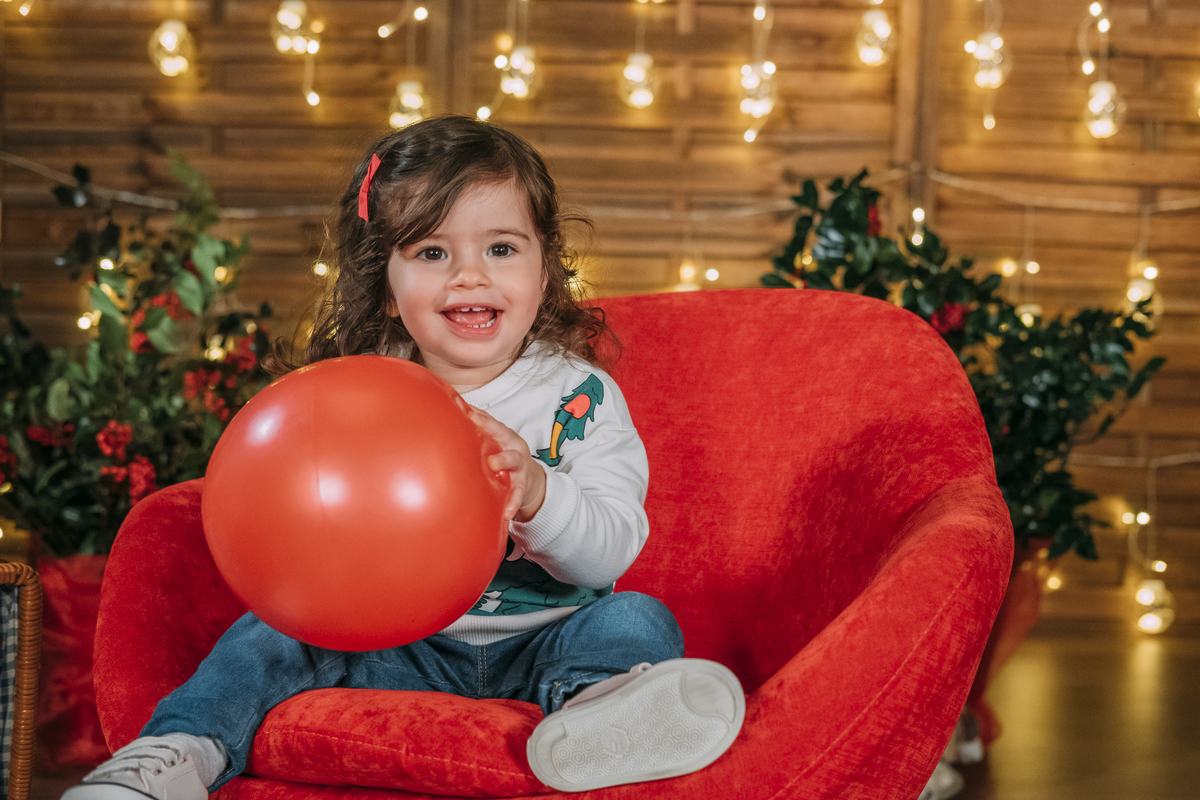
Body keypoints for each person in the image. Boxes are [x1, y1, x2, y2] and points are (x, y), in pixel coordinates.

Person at [63, 116, 744, 799]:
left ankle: (596, 717)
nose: (470, 275)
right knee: (269, 636)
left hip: (548, 638)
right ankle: (182, 750)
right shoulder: (356, 395)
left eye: (502, 248)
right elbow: (308, 524)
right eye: (432, 253)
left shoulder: (581, 395)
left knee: (637, 619)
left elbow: (611, 553)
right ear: (388, 288)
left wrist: (536, 490)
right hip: (398, 646)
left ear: (545, 269)